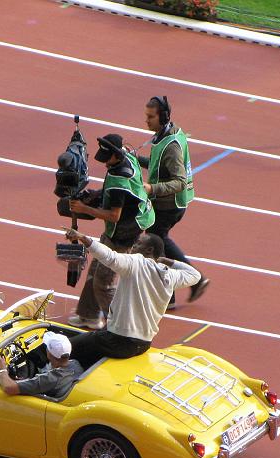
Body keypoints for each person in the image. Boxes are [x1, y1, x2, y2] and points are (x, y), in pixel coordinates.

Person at [63, 227, 201, 369]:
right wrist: (167, 261)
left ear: (149, 250)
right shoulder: (170, 276)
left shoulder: (135, 263)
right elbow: (195, 275)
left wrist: (83, 237)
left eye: (138, 244)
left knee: (62, 348)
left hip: (118, 341)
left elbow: (109, 257)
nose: (134, 245)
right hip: (143, 344)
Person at [66, 133, 155, 330]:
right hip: (131, 220)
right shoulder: (127, 157)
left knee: (104, 283)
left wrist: (84, 209)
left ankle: (124, 325)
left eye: (107, 158)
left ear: (116, 155)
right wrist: (95, 195)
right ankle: (88, 315)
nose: (105, 163)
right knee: (95, 269)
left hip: (125, 232)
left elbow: (114, 215)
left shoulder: (119, 181)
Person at [138, 96, 209, 308]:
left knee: (157, 242)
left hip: (170, 204)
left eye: (151, 117)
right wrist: (133, 158)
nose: (146, 121)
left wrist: (152, 188)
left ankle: (189, 283)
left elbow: (178, 181)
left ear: (164, 117)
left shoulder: (172, 146)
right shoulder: (168, 134)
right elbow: (157, 165)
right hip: (169, 203)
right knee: (159, 241)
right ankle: (179, 290)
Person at [0, 331, 83, 398]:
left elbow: (9, 388)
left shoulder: (49, 379)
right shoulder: (75, 364)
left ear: (49, 353)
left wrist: (2, 370)